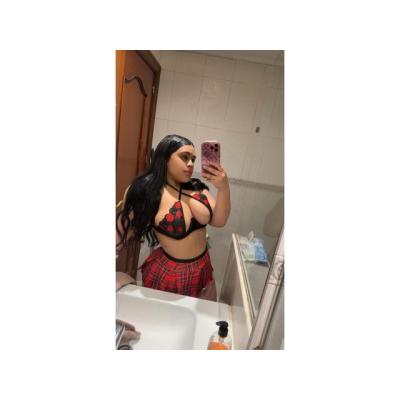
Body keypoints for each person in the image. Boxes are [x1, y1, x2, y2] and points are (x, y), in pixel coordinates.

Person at [116, 134, 231, 301]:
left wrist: (223, 188)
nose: (190, 163)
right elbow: (122, 230)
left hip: (203, 267)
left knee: (199, 314)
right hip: (170, 274)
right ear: (164, 157)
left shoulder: (197, 187)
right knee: (163, 315)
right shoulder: (147, 191)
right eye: (184, 157)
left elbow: (219, 221)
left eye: (193, 159)